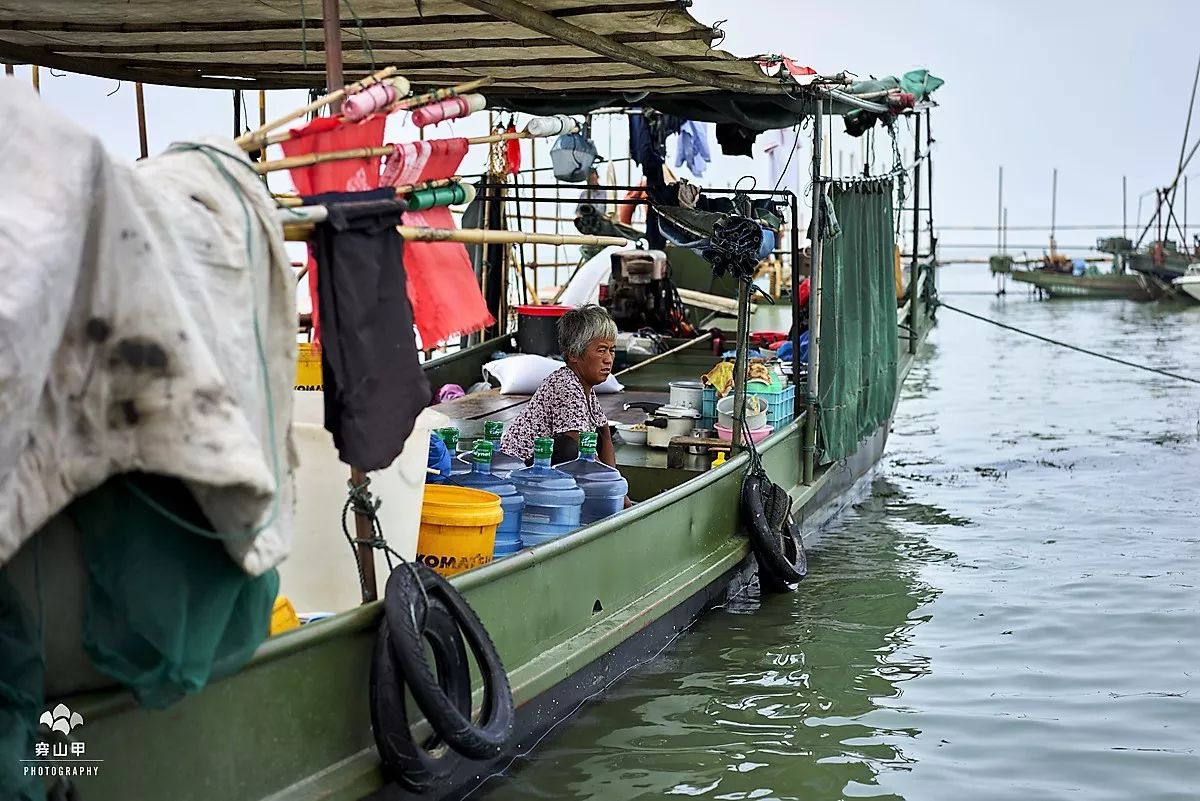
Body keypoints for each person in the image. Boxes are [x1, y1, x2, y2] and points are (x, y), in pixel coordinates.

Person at [499, 305, 632, 507]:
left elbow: (605, 436)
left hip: (541, 472)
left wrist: (618, 491)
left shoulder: (585, 388)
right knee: (570, 448)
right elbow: (580, 447)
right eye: (601, 350)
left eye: (612, 350)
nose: (608, 359)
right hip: (517, 476)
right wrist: (609, 493)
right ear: (573, 355)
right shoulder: (565, 385)